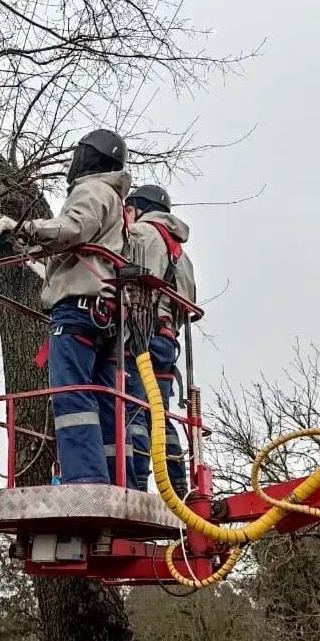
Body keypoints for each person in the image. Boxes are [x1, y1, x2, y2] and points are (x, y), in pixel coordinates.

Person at [0, 129, 135, 487]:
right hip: (107, 315)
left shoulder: (91, 190)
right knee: (107, 404)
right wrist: (32, 245)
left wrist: (23, 227)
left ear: (89, 157)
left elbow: (72, 229)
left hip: (78, 310)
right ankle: (119, 482)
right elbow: (77, 244)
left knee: (72, 396)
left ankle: (85, 479)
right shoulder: (115, 201)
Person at [124, 185, 196, 494]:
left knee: (136, 410)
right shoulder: (181, 254)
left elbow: (122, 276)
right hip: (168, 340)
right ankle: (178, 485)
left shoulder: (141, 234)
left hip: (142, 335)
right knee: (159, 413)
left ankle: (137, 484)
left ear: (139, 207)